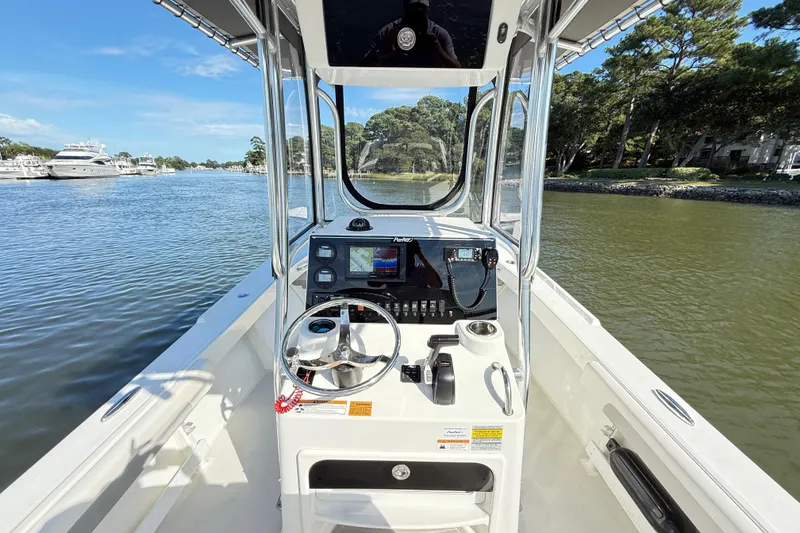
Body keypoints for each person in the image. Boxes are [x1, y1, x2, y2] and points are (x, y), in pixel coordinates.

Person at [360, 0, 461, 68]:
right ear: (405, 9)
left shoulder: (439, 34)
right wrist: (383, 52)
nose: (417, 13)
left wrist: (439, 51)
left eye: (421, 9)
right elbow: (362, 66)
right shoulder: (388, 32)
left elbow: (458, 69)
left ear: (428, 10)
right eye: (413, 9)